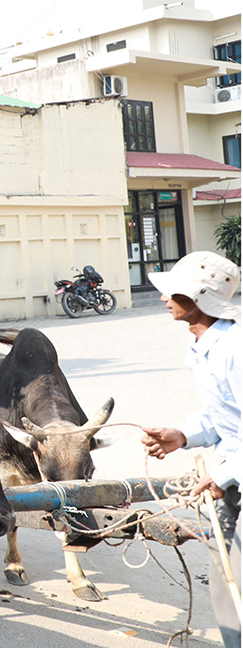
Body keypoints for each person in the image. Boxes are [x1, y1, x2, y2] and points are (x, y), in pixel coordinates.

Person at [139, 251, 240, 647]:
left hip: (235, 475)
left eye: (172, 292)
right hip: (234, 479)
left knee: (237, 583)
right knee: (225, 582)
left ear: (196, 297)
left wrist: (223, 475)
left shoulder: (236, 349)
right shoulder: (204, 346)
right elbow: (226, 414)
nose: (164, 299)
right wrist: (180, 435)